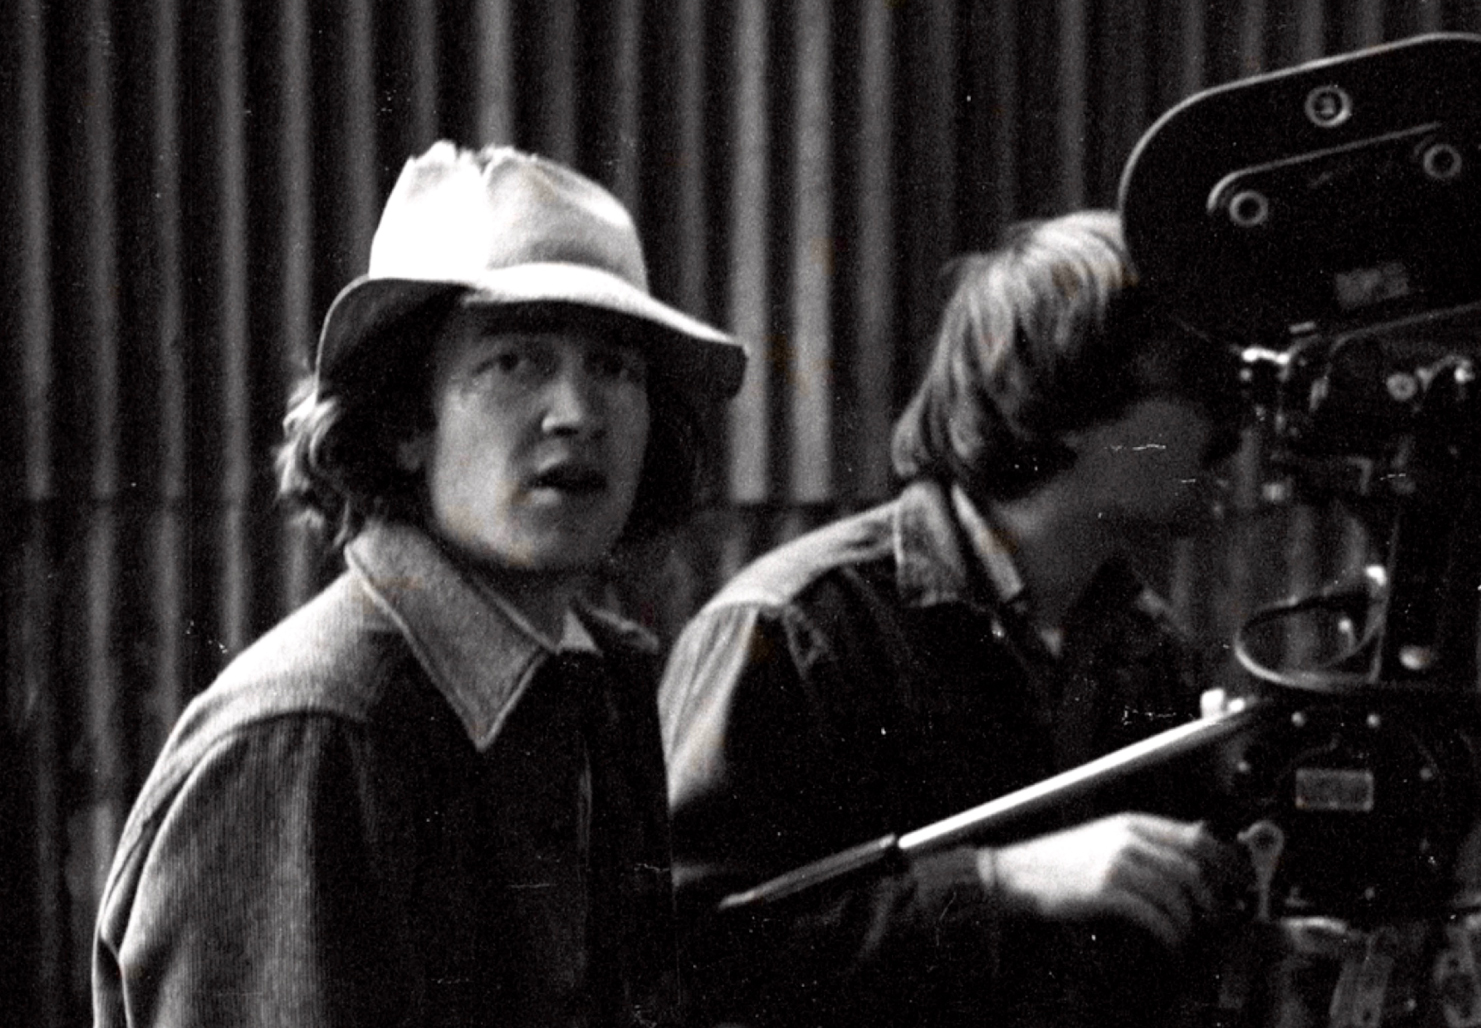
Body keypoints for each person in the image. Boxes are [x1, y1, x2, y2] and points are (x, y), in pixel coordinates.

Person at [92, 141, 745, 1028]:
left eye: (614, 368)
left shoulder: (595, 681)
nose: (578, 414)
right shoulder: (313, 739)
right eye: (516, 361)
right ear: (405, 422)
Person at [659, 209, 1249, 1028]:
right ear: (1068, 402)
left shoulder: (1147, 645)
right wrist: (999, 884)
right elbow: (682, 955)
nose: (1237, 427)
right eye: (1202, 387)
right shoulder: (795, 629)